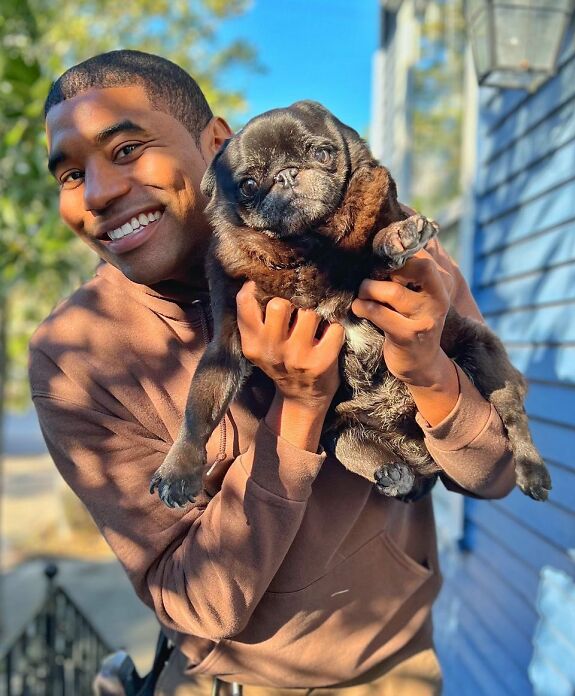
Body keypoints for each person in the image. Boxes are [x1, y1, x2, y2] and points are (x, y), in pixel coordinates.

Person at [30, 50, 516, 695]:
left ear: (220, 144)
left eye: (127, 150)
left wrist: (429, 369)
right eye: (69, 174)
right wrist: (300, 409)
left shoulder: (383, 243)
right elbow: (193, 603)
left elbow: (494, 474)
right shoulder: (77, 353)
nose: (97, 193)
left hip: (389, 674)